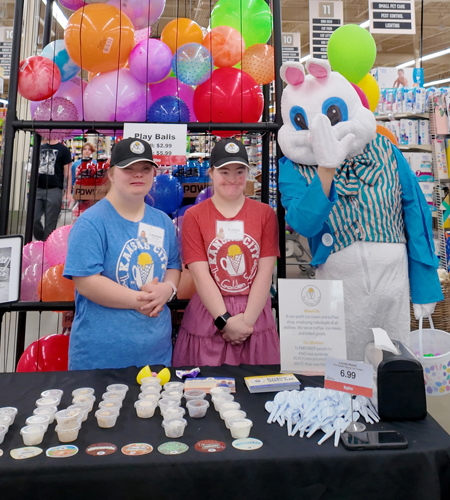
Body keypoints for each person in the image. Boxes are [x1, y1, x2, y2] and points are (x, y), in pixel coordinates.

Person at [277, 58, 442, 361]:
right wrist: (326, 169)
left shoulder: (385, 149)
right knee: (347, 371)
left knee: (395, 368)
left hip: (393, 279)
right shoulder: (293, 168)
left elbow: (415, 214)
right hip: (338, 282)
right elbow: (303, 223)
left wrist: (424, 284)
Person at [64, 138, 181, 370]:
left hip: (156, 357)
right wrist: (142, 301)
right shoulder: (91, 222)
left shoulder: (162, 222)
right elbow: (86, 282)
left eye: (145, 169)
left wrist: (168, 289)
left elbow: (173, 265)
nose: (138, 174)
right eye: (128, 168)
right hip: (100, 361)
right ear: (112, 174)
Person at [172, 138, 280, 367]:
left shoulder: (265, 215)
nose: (232, 179)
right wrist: (225, 321)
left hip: (254, 313)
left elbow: (265, 272)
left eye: (239, 171)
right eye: (224, 171)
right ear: (211, 173)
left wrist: (246, 323)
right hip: (209, 315)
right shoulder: (194, 216)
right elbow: (200, 275)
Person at [33, 138, 73, 241]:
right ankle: (42, 240)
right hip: (38, 188)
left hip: (54, 189)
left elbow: (68, 173)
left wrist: (68, 192)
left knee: (50, 222)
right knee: (33, 218)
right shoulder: (40, 148)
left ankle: (46, 246)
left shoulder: (64, 150)